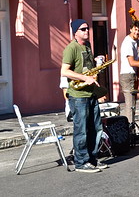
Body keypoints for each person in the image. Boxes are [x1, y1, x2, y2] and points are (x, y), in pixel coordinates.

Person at [60, 19, 107, 173]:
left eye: (88, 28)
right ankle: (81, 162)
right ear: (75, 32)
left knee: (96, 127)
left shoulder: (87, 46)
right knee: (82, 129)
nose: (87, 31)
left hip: (90, 92)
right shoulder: (71, 48)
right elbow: (65, 71)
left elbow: (86, 66)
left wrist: (97, 64)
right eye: (83, 29)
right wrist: (84, 78)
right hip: (78, 95)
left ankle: (92, 159)